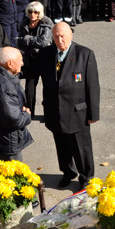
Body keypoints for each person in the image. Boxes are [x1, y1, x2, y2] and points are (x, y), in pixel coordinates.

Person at [35, 23, 99, 191]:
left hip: (77, 112)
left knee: (81, 148)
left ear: (71, 34)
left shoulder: (85, 54)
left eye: (63, 36)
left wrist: (94, 113)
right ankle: (68, 173)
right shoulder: (46, 54)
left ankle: (86, 177)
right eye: (56, 37)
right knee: (62, 146)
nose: (60, 40)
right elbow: (32, 72)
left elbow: (92, 87)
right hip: (54, 111)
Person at [0, 47, 32, 164]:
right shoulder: (4, 86)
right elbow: (13, 120)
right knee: (12, 177)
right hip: (7, 141)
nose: (23, 63)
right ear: (10, 63)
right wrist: (26, 114)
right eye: (21, 60)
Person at [18, 2, 53, 116]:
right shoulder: (24, 24)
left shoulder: (46, 23)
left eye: (36, 12)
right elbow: (20, 43)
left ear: (40, 13)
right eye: (30, 12)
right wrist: (32, 41)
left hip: (45, 58)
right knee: (29, 86)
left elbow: (44, 41)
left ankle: (49, 112)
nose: (32, 14)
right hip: (30, 59)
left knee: (48, 86)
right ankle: (29, 111)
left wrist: (28, 39)